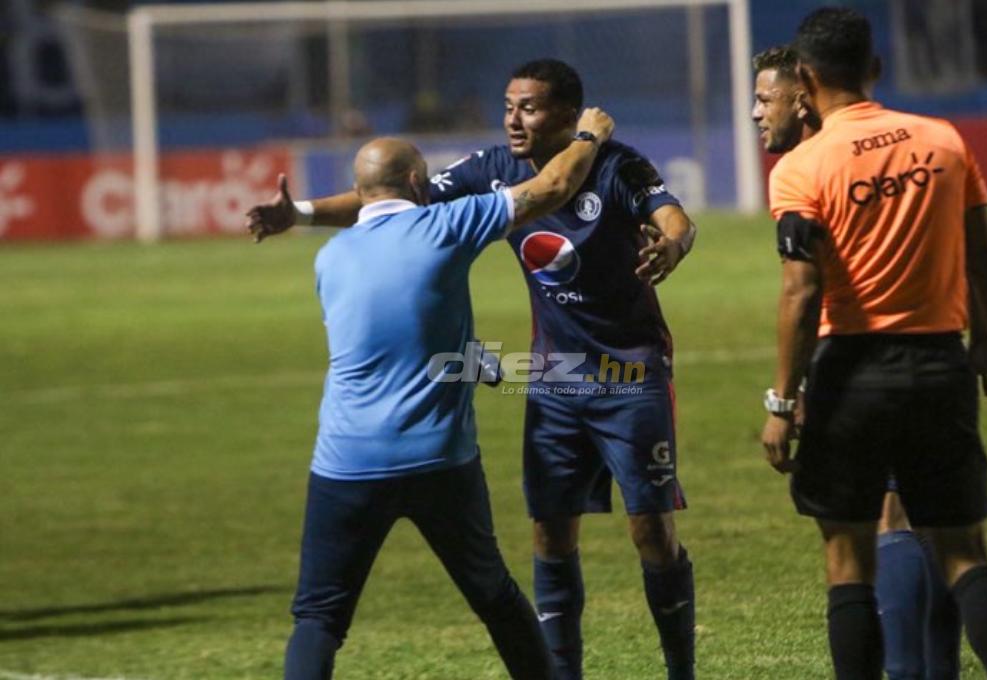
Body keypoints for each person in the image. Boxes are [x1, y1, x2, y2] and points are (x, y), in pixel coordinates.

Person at [247, 58, 698, 680]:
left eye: (530, 107)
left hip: (630, 375)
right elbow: (392, 197)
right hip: (554, 378)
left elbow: (673, 216)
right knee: (548, 538)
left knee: (650, 532)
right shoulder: (492, 171)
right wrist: (298, 212)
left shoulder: (618, 163)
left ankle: (682, 670)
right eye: (509, 105)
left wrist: (671, 242)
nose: (513, 118)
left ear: (567, 114)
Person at [759, 8, 987, 680]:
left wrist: (782, 401)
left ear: (806, 78)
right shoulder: (944, 141)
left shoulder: (802, 167)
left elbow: (800, 288)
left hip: (850, 371)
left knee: (848, 558)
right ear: (874, 68)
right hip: (941, 363)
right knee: (965, 553)